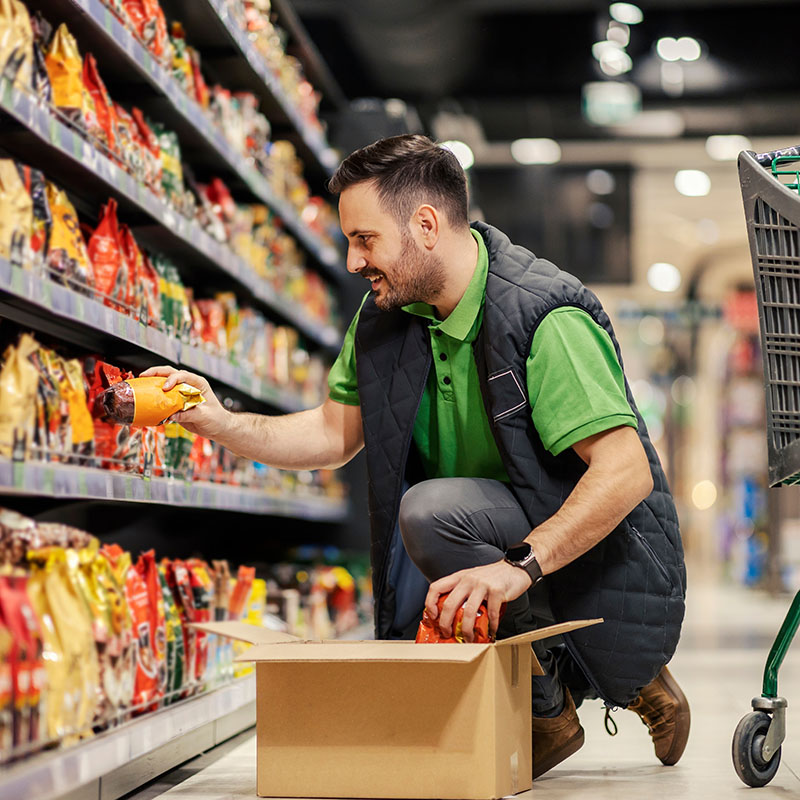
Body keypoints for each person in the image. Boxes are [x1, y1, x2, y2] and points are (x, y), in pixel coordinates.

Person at [142, 134, 689, 778]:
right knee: (426, 531)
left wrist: (520, 566)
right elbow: (329, 434)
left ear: (425, 225)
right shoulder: (386, 320)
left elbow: (623, 472)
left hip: (584, 538)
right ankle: (569, 697)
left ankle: (600, 685)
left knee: (432, 512)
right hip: (484, 528)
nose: (352, 261)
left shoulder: (544, 315)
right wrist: (219, 421)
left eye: (365, 239)